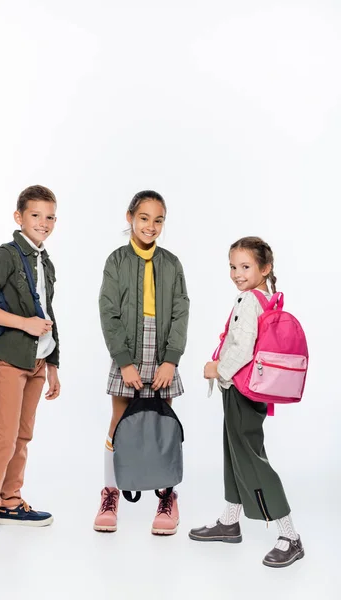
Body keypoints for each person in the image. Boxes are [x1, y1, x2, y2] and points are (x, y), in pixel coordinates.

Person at [189, 236, 304, 568]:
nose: (237, 273)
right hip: (251, 390)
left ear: (265, 268)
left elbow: (242, 348)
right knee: (235, 454)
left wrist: (216, 369)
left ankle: (290, 536)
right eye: (232, 266)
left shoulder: (249, 300)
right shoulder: (267, 299)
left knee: (252, 460)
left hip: (241, 389)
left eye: (245, 266)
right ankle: (229, 521)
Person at [0, 185, 60, 552]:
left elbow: (49, 314)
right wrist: (25, 324)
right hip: (9, 359)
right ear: (19, 217)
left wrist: (53, 364)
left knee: (23, 436)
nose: (44, 223)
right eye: (36, 215)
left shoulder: (46, 261)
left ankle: (10, 501)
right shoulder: (8, 255)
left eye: (50, 216)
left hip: (38, 360)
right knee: (3, 438)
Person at [95, 190, 189, 535]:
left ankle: (167, 498)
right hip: (128, 350)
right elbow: (109, 311)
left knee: (162, 424)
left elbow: (181, 311)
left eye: (158, 219)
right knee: (120, 422)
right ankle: (110, 493)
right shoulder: (116, 261)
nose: (151, 226)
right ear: (130, 217)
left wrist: (171, 360)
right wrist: (123, 360)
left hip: (162, 350)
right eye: (145, 218)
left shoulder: (171, 263)